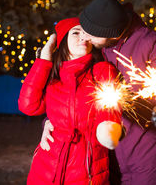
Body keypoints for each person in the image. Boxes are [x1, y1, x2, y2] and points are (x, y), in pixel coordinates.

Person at [41, 0, 156, 185]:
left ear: (113, 35)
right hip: (108, 161)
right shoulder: (98, 44)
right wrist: (51, 120)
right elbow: (74, 86)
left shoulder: (153, 43)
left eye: (91, 34)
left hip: (149, 162)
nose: (85, 37)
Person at [18, 17, 122, 185]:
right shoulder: (53, 77)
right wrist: (44, 60)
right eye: (75, 32)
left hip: (86, 171)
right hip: (46, 169)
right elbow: (28, 106)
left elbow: (110, 106)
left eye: (86, 34)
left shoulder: (101, 70)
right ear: (62, 40)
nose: (83, 37)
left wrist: (108, 127)